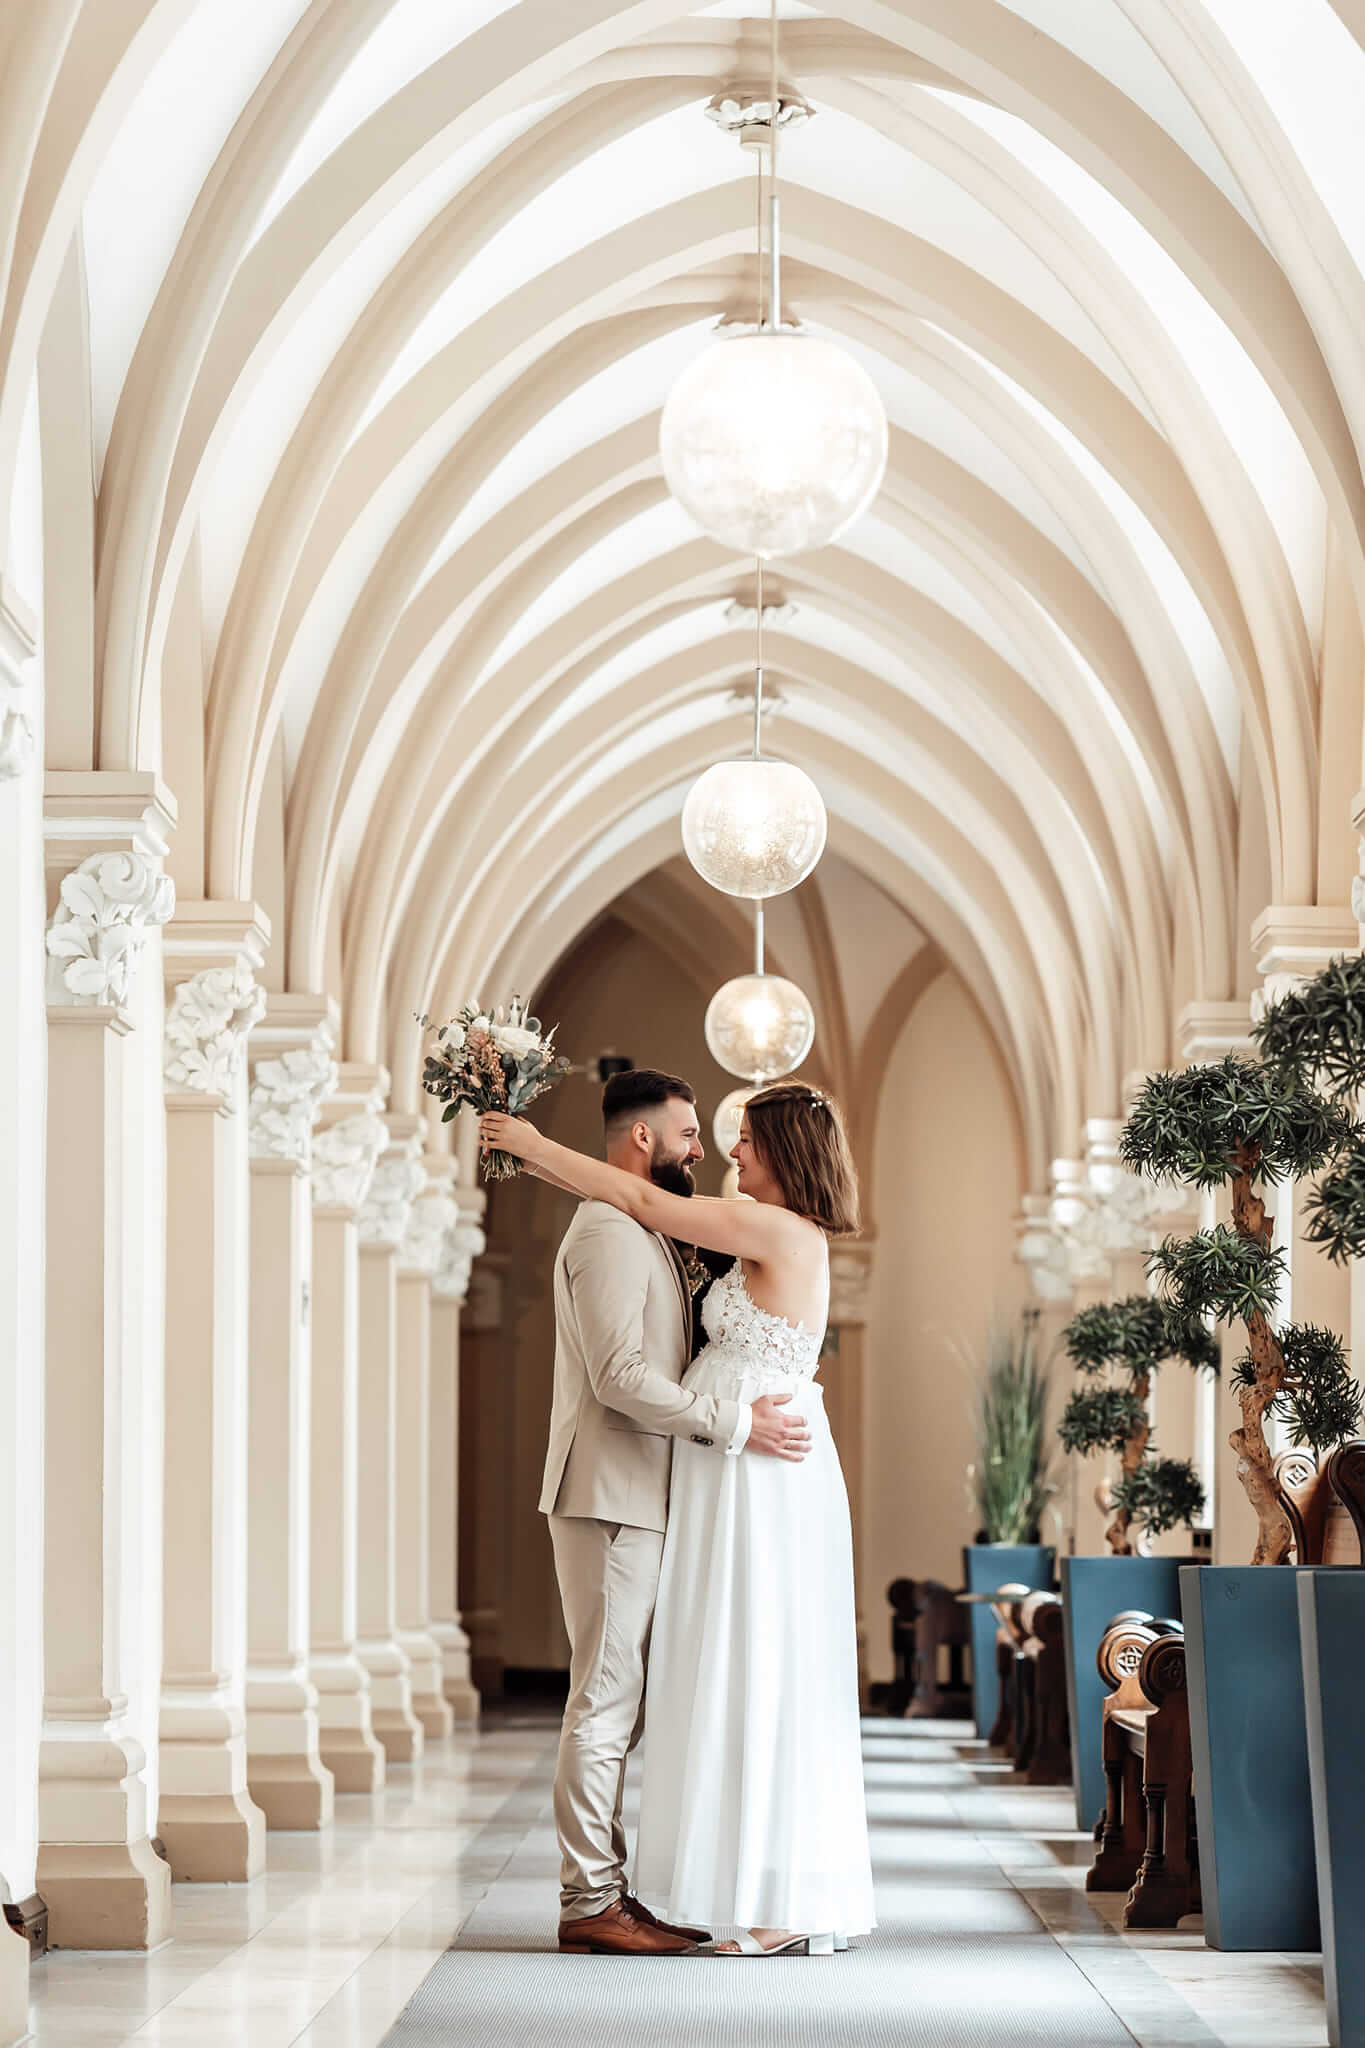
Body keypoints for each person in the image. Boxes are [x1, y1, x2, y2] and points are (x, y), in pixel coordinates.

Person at [481, 1079, 875, 1958]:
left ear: (783, 1151)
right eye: (707, 1135)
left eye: (744, 1141)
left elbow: (632, 1192)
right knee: (717, 1668)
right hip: (711, 1468)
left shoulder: (769, 1230)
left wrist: (530, 1145)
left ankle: (746, 1893)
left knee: (749, 1665)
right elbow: (630, 1220)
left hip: (746, 1467)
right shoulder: (725, 1234)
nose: (728, 1153)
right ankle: (648, 1892)